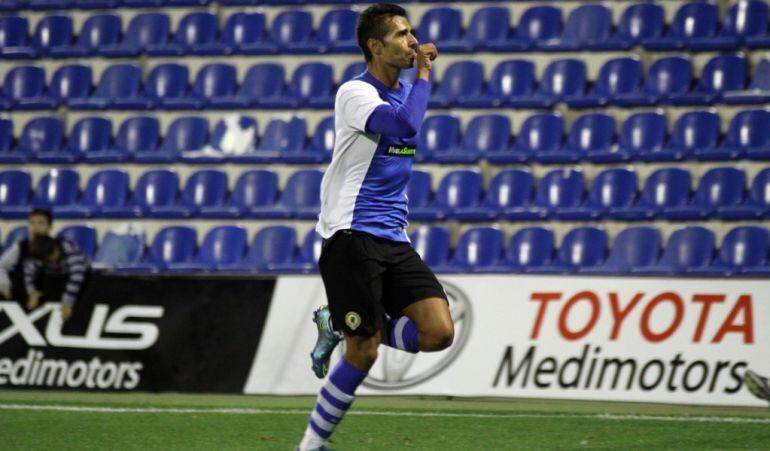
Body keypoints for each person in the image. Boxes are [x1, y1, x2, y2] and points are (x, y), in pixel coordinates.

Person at [297, 4, 454, 450]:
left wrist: (416, 80)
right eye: (402, 35)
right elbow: (404, 125)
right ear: (374, 45)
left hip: (393, 237)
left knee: (438, 332)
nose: (412, 41)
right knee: (363, 352)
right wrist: (424, 74)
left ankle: (339, 320)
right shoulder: (355, 93)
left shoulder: (404, 91)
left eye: (412, 33)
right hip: (351, 236)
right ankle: (310, 445)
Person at [24, 234, 90, 321]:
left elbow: (77, 274)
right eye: (48, 260)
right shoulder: (39, 256)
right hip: (59, 279)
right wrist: (32, 291)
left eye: (53, 253)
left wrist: (67, 302)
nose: (53, 259)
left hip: (85, 282)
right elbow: (28, 271)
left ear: (56, 247)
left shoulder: (68, 247)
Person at [0, 209, 54, 302]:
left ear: (49, 227)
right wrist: (5, 286)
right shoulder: (20, 247)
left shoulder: (57, 247)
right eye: (32, 223)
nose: (35, 227)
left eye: (41, 223)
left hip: (50, 295)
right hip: (21, 296)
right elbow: (2, 266)